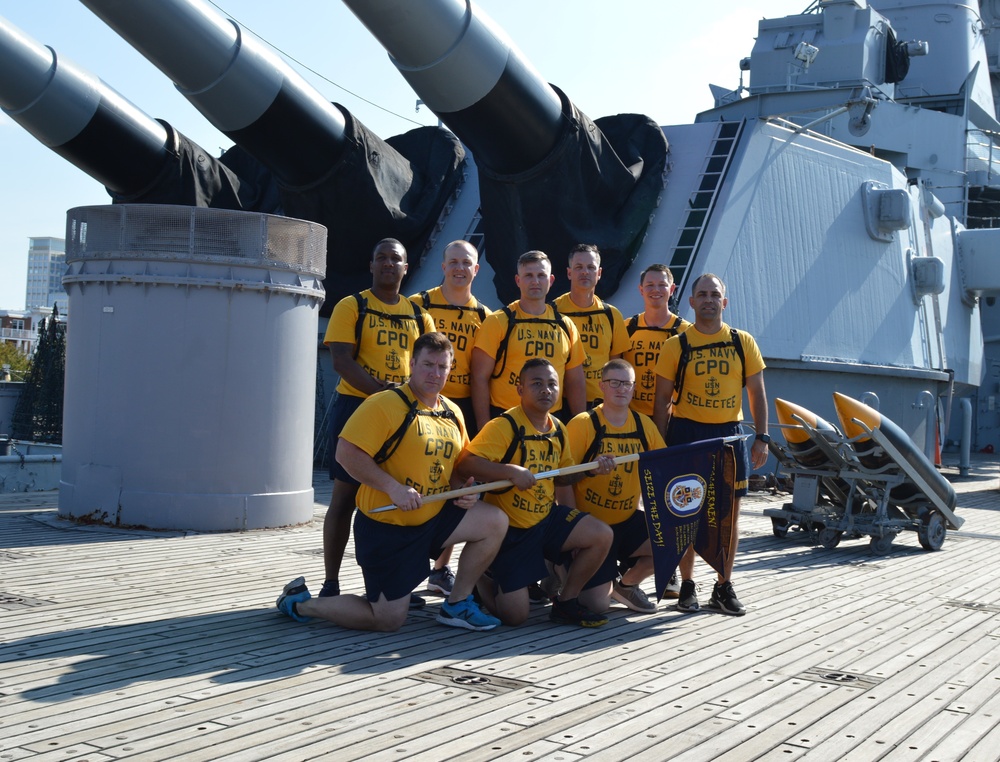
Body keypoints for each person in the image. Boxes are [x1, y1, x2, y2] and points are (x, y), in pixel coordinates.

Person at [277, 332, 508, 632]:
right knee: (387, 620)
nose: (435, 373)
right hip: (388, 529)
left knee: (495, 521)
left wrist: (463, 492)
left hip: (432, 521)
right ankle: (298, 602)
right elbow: (346, 453)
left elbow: (455, 468)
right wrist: (393, 488)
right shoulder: (385, 403)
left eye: (442, 367)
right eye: (427, 364)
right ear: (412, 364)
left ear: (451, 370)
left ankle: (457, 604)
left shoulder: (452, 412)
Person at [455, 358, 615, 627]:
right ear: (520, 389)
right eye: (537, 384)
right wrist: (510, 471)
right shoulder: (504, 426)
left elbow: (563, 477)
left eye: (552, 384)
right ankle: (483, 577)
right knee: (515, 617)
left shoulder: (558, 429)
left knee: (601, 535)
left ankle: (566, 602)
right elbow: (465, 464)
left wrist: (592, 469)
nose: (546, 390)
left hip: (545, 518)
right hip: (512, 530)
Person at [320, 238, 435, 604]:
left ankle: (395, 583)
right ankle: (332, 581)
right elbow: (341, 360)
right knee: (344, 498)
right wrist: (379, 393)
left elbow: (426, 364)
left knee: (401, 495)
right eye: (381, 257)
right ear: (370, 265)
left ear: (406, 268)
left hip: (402, 415)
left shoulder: (419, 315)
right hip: (357, 407)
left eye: (396, 259)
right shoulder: (351, 305)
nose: (388, 263)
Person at [652, 273, 769, 617]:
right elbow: (661, 402)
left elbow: (757, 393)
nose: (708, 299)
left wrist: (761, 437)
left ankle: (723, 585)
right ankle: (687, 584)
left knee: (728, 516)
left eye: (714, 294)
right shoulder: (677, 345)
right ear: (690, 302)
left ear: (724, 301)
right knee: (685, 512)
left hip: (729, 435)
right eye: (701, 294)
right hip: (687, 433)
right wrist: (660, 447)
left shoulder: (741, 341)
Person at [408, 239, 493, 597]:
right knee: (417, 482)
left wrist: (483, 422)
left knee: (458, 488)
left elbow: (481, 373)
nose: (460, 268)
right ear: (443, 267)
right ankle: (409, 567)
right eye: (453, 262)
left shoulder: (486, 316)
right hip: (420, 406)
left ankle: (440, 569)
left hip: (459, 409)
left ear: (476, 270)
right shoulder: (419, 304)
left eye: (467, 263)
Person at [565, 359, 667, 614]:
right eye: (614, 383)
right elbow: (561, 480)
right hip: (591, 528)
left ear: (634, 389)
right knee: (598, 605)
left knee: (676, 539)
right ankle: (557, 566)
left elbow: (666, 470)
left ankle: (626, 585)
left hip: (625, 519)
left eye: (627, 384)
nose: (621, 388)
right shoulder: (582, 424)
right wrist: (573, 528)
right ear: (601, 386)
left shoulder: (644, 425)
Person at [471, 251, 587, 431]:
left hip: (551, 421)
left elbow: (575, 381)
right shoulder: (498, 322)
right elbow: (479, 377)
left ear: (551, 280)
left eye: (541, 275)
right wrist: (483, 425)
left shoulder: (566, 326)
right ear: (518, 280)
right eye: (529, 275)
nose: (535, 281)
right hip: (504, 419)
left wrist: (582, 427)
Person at [552, 244, 630, 407]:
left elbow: (615, 366)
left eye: (591, 267)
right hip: (559, 402)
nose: (585, 272)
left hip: (599, 403)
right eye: (578, 267)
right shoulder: (553, 312)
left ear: (599, 273)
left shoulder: (612, 315)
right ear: (569, 273)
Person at [623, 264, 691, 418]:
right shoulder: (626, 328)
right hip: (632, 416)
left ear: (672, 289)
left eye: (662, 285)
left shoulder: (686, 332)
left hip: (673, 417)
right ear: (641, 290)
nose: (656, 290)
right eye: (650, 285)